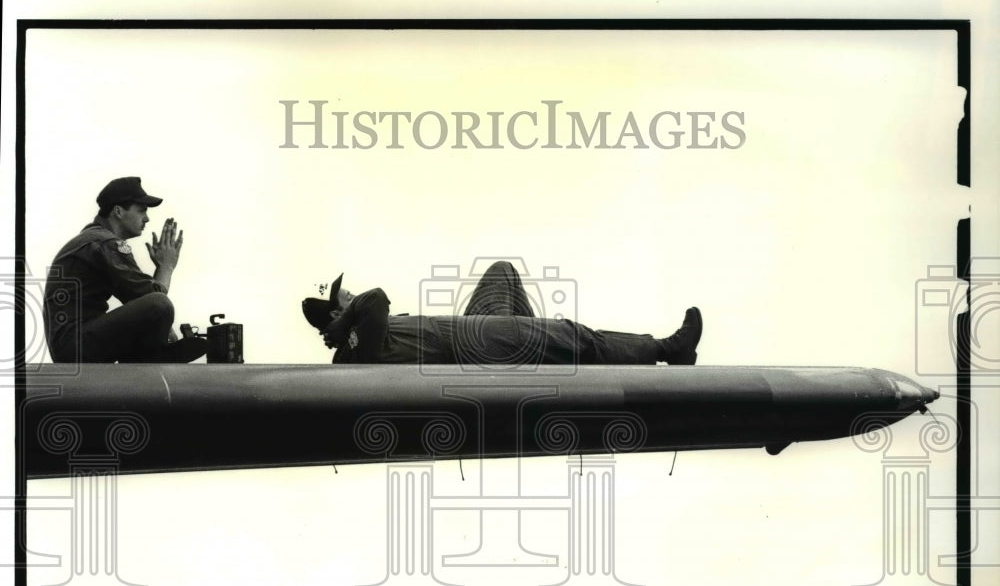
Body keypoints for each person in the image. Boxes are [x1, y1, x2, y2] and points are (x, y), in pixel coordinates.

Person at [302, 261, 702, 366]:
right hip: (468, 347)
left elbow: (369, 302)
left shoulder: (355, 332)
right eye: (342, 295)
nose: (350, 293)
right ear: (336, 312)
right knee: (575, 337)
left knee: (502, 272)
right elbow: (375, 298)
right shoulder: (353, 347)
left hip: (466, 331)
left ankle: (534, 343)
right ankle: (667, 348)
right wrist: (344, 322)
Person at [43, 176, 207, 363]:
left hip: (71, 345)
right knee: (160, 304)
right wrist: (166, 266)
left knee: (156, 305)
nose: (147, 218)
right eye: (141, 211)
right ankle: (150, 357)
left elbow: (137, 299)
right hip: (75, 347)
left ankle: (148, 355)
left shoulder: (95, 239)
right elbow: (151, 299)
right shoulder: (105, 243)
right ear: (118, 211)